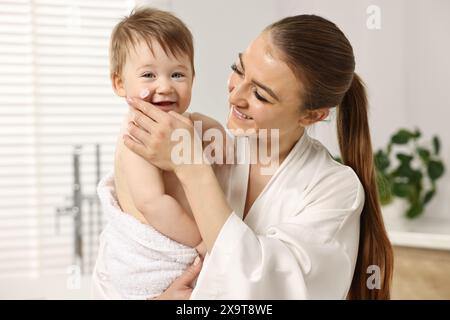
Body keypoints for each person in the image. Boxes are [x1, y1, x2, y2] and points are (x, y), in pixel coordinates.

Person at [112, 14, 394, 299]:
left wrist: (192, 169)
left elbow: (266, 292)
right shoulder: (202, 143)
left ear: (312, 115)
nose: (235, 97)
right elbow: (122, 255)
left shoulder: (334, 190)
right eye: (239, 69)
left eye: (260, 94)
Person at [91, 7, 206, 300]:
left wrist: (211, 127)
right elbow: (152, 203)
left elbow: (197, 124)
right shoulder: (136, 133)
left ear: (193, 77)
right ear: (119, 83)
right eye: (148, 75)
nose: (165, 86)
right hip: (154, 260)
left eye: (178, 74)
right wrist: (202, 240)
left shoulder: (176, 123)